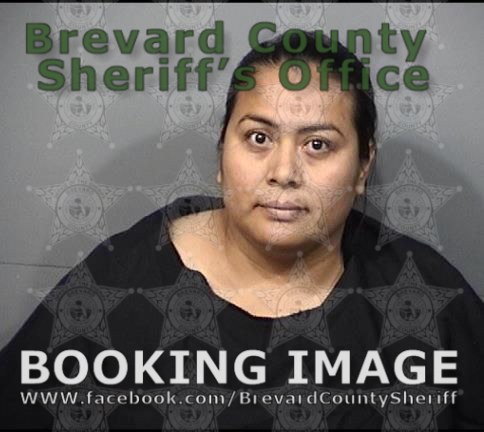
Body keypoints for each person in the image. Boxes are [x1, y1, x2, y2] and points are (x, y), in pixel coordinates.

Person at [1, 31, 483, 431]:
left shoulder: (425, 294)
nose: (283, 172)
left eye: (318, 144)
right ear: (221, 154)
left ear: (362, 167)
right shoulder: (118, 282)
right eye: (258, 137)